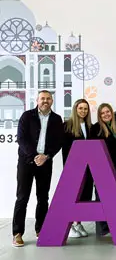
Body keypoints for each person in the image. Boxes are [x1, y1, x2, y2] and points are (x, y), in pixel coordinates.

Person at [12, 90, 64, 247]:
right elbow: (21, 138)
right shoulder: (27, 116)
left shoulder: (56, 119)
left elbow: (58, 141)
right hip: (26, 162)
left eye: (48, 98)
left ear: (52, 101)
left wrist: (46, 156)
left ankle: (40, 230)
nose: (45, 101)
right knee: (22, 197)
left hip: (46, 163)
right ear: (37, 100)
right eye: (42, 98)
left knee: (43, 198)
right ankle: (17, 233)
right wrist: (35, 156)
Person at [90, 103, 116, 236]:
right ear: (99, 115)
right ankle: (103, 228)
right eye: (102, 113)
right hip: (103, 168)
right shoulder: (96, 128)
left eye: (108, 112)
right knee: (101, 197)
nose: (106, 114)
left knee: (114, 197)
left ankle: (113, 224)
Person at [62, 99, 93, 238]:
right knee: (72, 196)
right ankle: (69, 225)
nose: (83, 111)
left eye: (86, 109)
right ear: (75, 109)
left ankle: (77, 222)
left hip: (88, 168)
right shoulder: (67, 126)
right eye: (81, 108)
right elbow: (66, 149)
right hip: (74, 167)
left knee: (84, 195)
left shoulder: (90, 126)